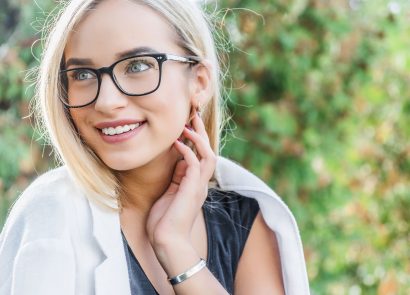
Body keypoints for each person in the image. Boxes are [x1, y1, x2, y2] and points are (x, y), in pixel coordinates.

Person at [0, 0, 309, 294]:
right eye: (81, 74)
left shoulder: (243, 220)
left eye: (137, 66)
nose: (106, 102)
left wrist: (176, 250)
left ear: (198, 82)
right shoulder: (51, 216)